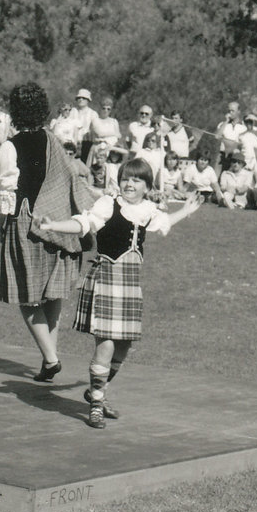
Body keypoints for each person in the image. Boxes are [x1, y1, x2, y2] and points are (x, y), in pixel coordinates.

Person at [37, 160, 201, 428]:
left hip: (130, 286)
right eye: (126, 178)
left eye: (136, 180)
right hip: (106, 281)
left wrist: (185, 209)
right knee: (107, 345)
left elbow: (163, 222)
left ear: (147, 186)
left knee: (123, 347)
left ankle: (95, 392)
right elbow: (83, 224)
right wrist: (53, 225)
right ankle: (97, 405)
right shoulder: (107, 204)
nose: (129, 184)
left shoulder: (148, 210)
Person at [0, 82, 96, 383]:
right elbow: (70, 181)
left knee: (26, 297)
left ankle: (51, 359)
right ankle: (47, 359)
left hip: (26, 225)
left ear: (15, 110)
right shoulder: (54, 141)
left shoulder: (10, 147)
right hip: (59, 225)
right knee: (53, 295)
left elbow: (6, 194)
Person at [215, 101, 246, 168]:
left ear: (238, 112)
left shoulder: (244, 127)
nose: (230, 113)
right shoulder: (222, 124)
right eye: (229, 111)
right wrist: (226, 121)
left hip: (235, 158)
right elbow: (217, 136)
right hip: (222, 156)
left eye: (232, 111)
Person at [73, 88, 98, 161]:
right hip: (73, 143)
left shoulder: (93, 114)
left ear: (88, 100)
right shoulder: (73, 112)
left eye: (83, 98)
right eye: (79, 98)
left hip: (87, 143)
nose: (81, 99)